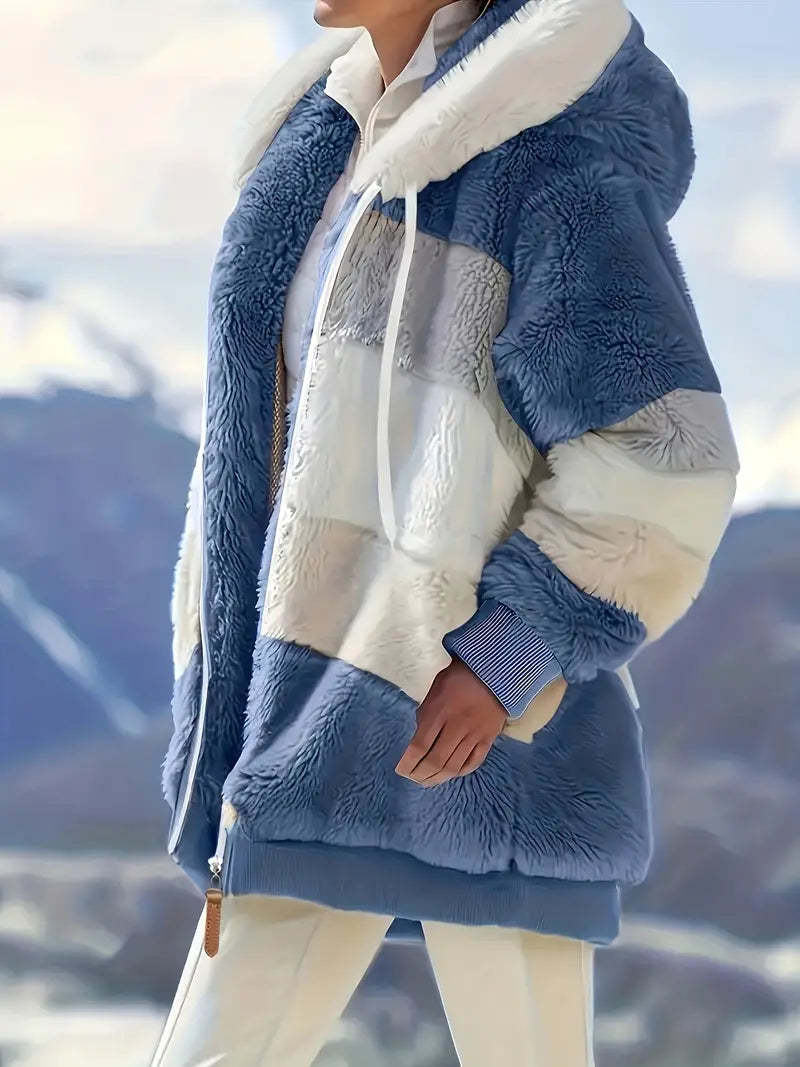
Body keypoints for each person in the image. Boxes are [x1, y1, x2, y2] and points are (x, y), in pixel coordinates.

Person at [152, 0, 739, 1063]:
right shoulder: (320, 138)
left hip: (474, 733)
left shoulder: (549, 153)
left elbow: (666, 449)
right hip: (304, 717)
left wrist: (505, 657)